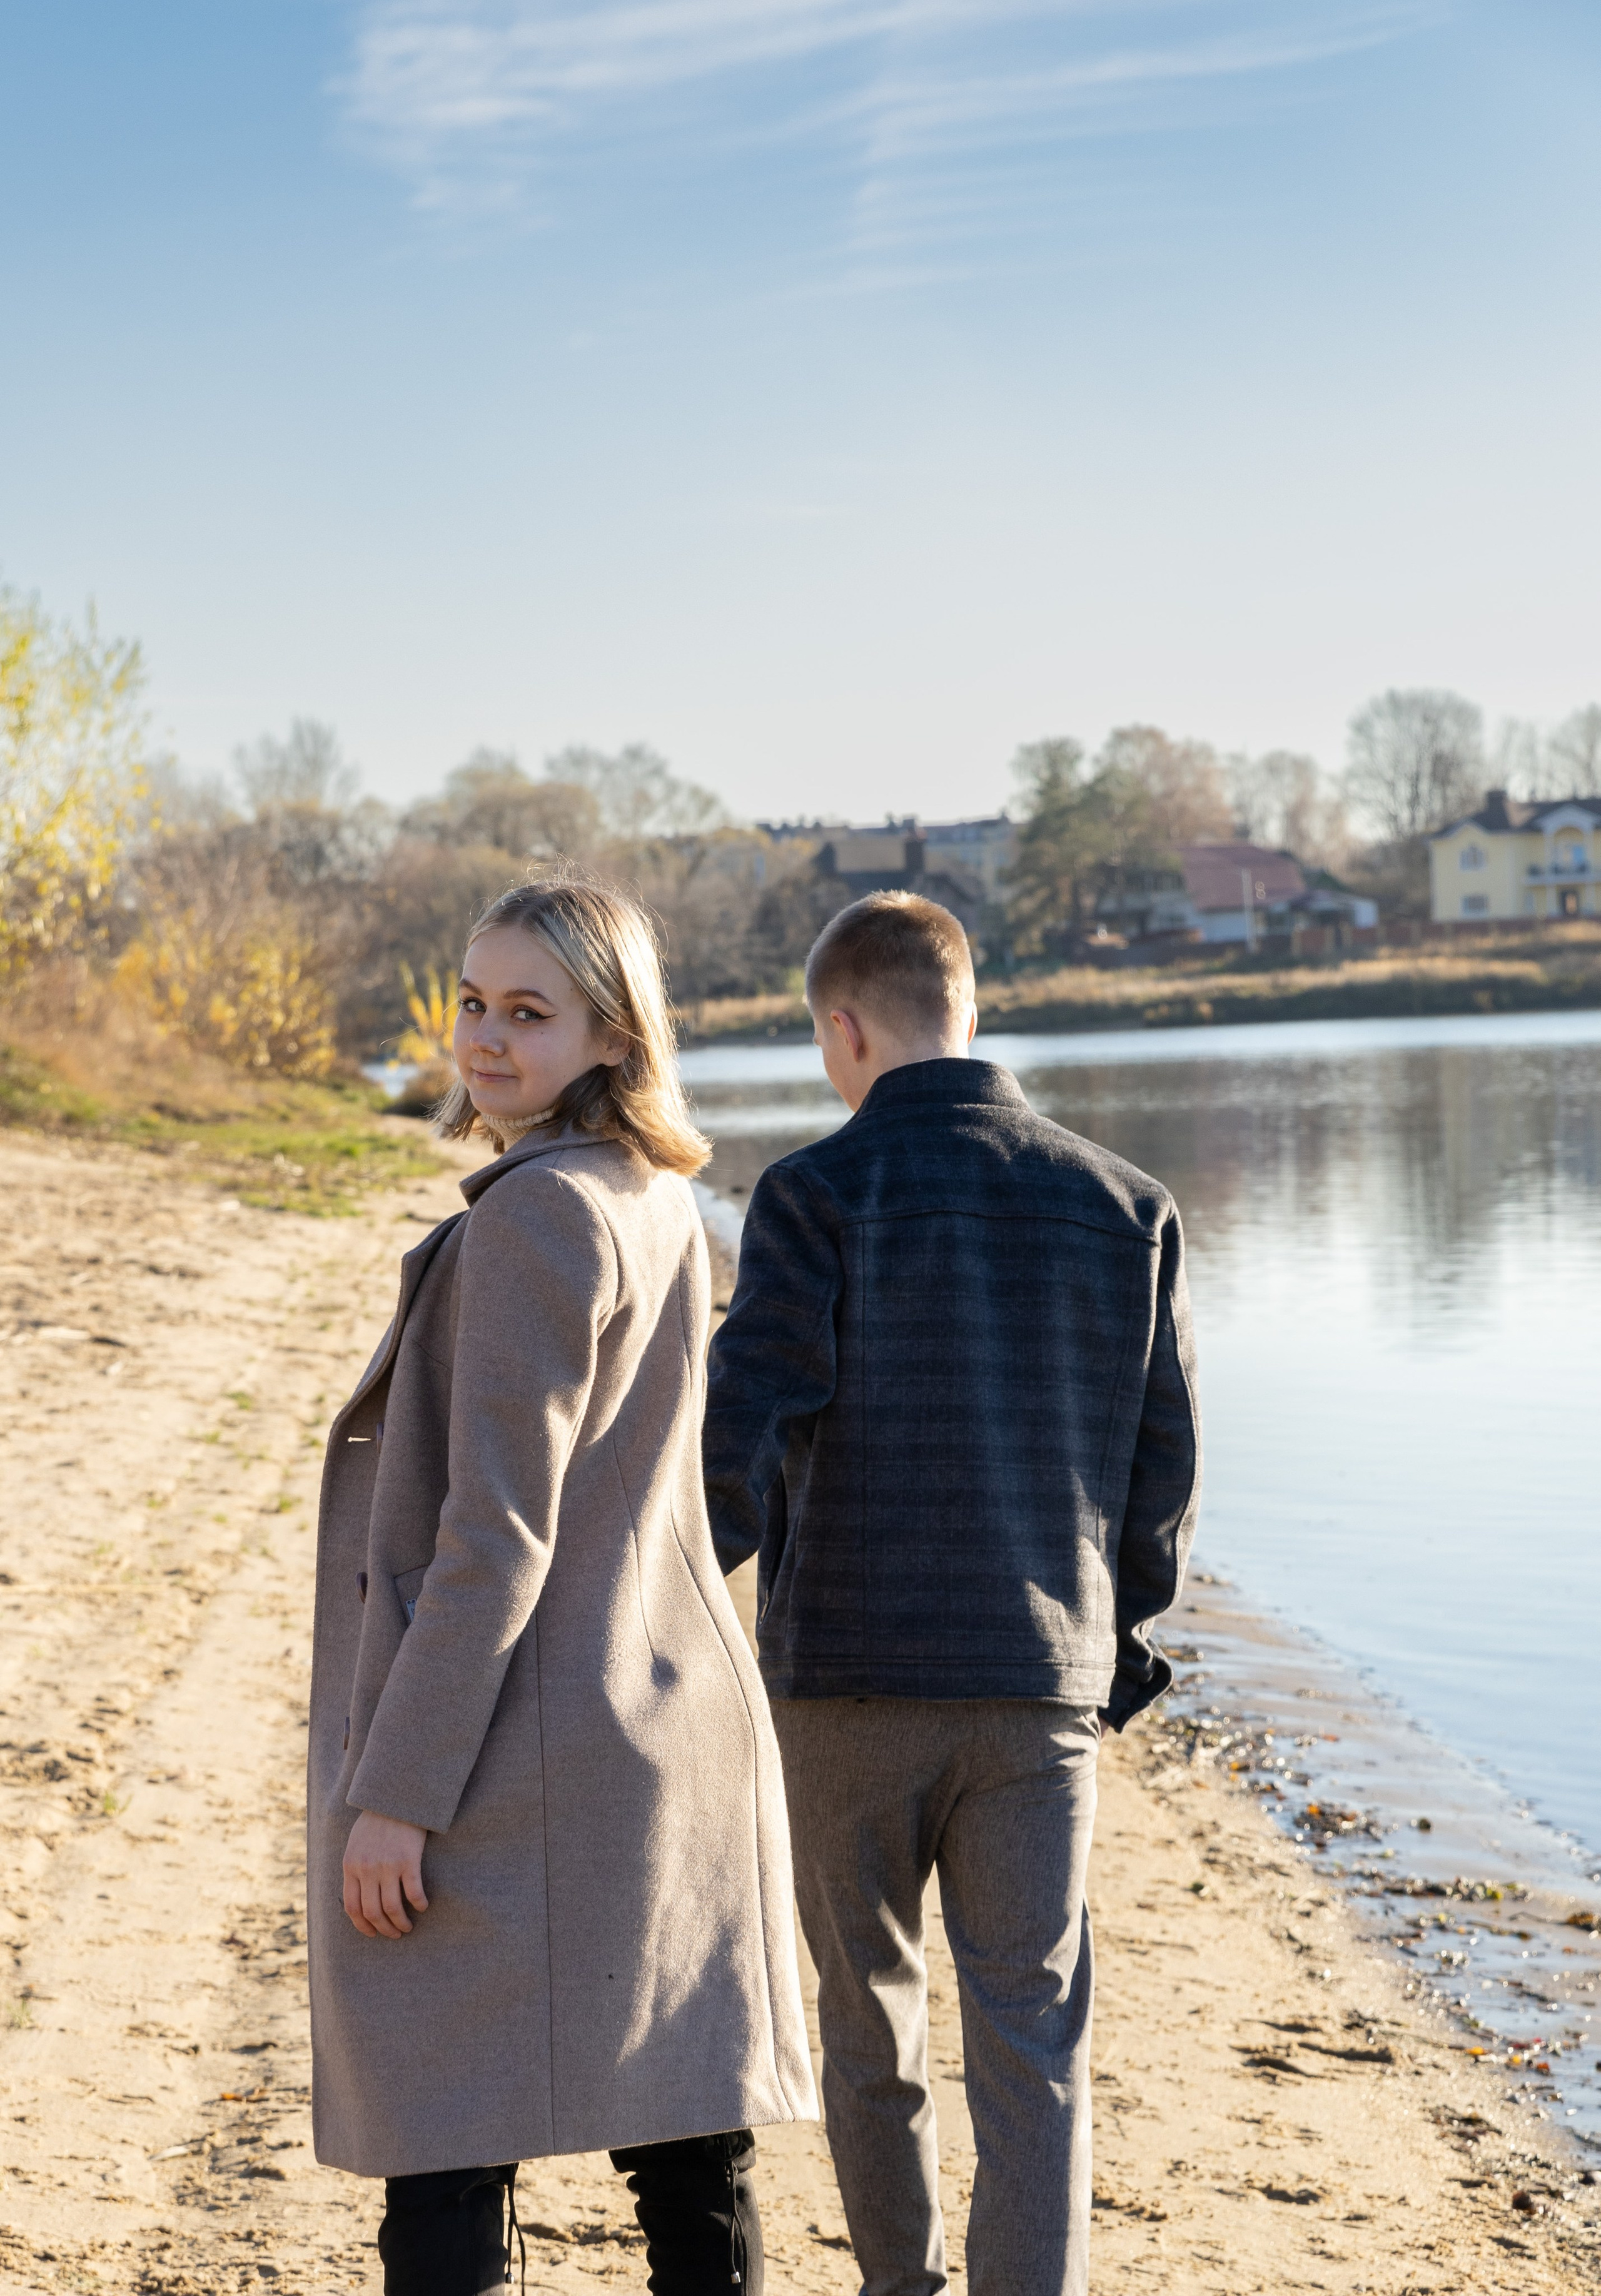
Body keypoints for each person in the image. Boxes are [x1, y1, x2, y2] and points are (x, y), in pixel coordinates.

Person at [306, 877, 816, 2296]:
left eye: (527, 1013)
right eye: (471, 1001)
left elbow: (494, 1537)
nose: (482, 1038)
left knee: (447, 2136)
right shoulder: (653, 1197)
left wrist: (395, 1793)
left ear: (611, 1034)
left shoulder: (537, 1218)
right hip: (665, 1722)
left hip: (526, 1751)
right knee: (687, 2149)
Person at [702, 891, 1200, 2296]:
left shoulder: (810, 1194)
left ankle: (900, 2289)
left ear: (841, 1031)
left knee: (868, 2023)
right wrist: (1118, 1649)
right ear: (968, 1013)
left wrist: (671, 1601)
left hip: (845, 1680)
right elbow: (1159, 1468)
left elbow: (739, 1436)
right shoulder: (1125, 1205)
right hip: (1036, 1681)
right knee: (1031, 2034)